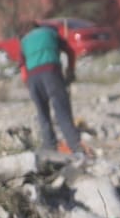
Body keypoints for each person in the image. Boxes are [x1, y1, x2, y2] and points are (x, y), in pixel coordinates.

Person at [18, 21, 86, 163]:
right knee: (62, 110)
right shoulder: (50, 33)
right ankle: (76, 147)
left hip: (32, 78)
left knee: (42, 113)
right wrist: (70, 70)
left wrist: (28, 84)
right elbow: (70, 51)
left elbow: (22, 67)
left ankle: (50, 147)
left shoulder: (24, 41)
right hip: (51, 73)